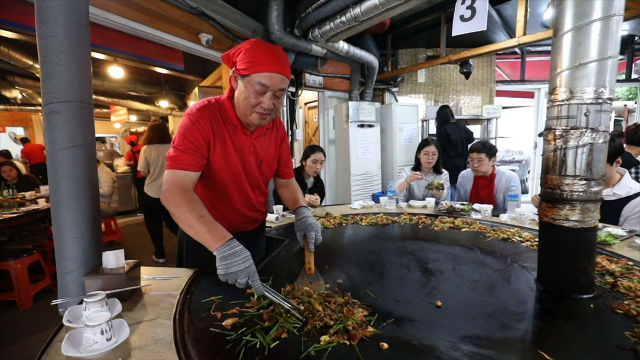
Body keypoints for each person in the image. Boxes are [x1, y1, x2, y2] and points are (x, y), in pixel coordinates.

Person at [162, 39, 322, 295]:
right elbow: (175, 190)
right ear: (236, 81)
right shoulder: (202, 117)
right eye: (260, 91)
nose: (269, 104)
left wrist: (301, 210)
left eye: (279, 95)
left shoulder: (276, 126)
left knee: (252, 309)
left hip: (253, 235)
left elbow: (284, 180)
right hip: (206, 238)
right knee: (206, 312)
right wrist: (223, 245)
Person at [138, 121, 179, 263]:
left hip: (151, 193)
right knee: (175, 223)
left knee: (154, 224)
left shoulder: (146, 149)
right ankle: (188, 247)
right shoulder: (173, 147)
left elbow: (143, 172)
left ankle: (160, 254)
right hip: (171, 192)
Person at [456, 140, 521, 216]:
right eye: (471, 160)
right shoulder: (464, 176)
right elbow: (461, 207)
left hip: (499, 223)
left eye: (480, 160)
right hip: (470, 222)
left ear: (492, 161)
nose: (474, 165)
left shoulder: (509, 178)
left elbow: (513, 212)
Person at [436, 105, 475, 201]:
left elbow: (439, 147)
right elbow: (471, 138)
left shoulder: (442, 128)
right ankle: (456, 205)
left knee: (447, 186)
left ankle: (448, 206)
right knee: (457, 185)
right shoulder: (460, 125)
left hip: (447, 163)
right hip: (461, 162)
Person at [601, 137, 640, 231]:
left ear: (617, 162)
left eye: (595, 166)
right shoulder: (576, 186)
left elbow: (628, 240)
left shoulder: (635, 197)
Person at [273, 145, 326, 210]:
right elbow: (278, 199)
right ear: (304, 161)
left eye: (321, 163)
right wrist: (301, 199)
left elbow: (318, 206)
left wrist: (316, 202)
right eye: (314, 162)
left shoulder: (319, 182)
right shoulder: (291, 177)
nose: (318, 167)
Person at [124, 135, 146, 212]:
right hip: (148, 174)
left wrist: (132, 163)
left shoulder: (129, 152)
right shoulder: (144, 148)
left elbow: (126, 163)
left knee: (140, 193)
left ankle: (142, 209)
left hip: (138, 175)